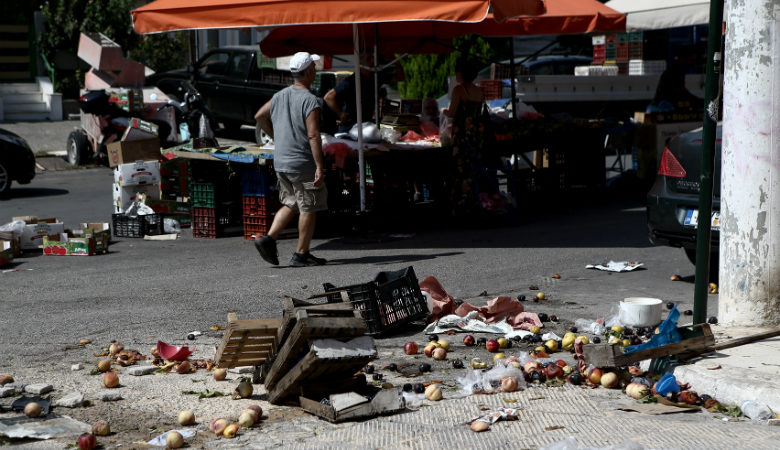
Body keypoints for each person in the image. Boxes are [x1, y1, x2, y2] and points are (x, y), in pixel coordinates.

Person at [254, 52, 328, 267]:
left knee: (292, 202)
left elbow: (259, 116)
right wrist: (320, 167)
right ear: (307, 72)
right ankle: (301, 254)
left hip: (282, 162)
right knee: (309, 206)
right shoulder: (310, 100)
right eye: (313, 67)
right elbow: (313, 135)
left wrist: (277, 136)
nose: (315, 70)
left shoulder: (279, 96)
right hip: (302, 163)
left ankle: (268, 238)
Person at [444, 59, 487, 217]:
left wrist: (444, 113)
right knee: (474, 169)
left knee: (460, 171)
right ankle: (475, 202)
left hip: (462, 137)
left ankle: (461, 207)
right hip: (476, 135)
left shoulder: (459, 90)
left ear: (461, 73)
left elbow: (452, 113)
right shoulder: (479, 91)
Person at [323, 55, 375, 133]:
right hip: (349, 128)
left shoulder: (373, 78)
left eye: (374, 58)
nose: (373, 61)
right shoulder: (352, 80)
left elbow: (399, 77)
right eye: (369, 59)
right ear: (360, 63)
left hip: (365, 126)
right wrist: (341, 114)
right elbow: (328, 97)